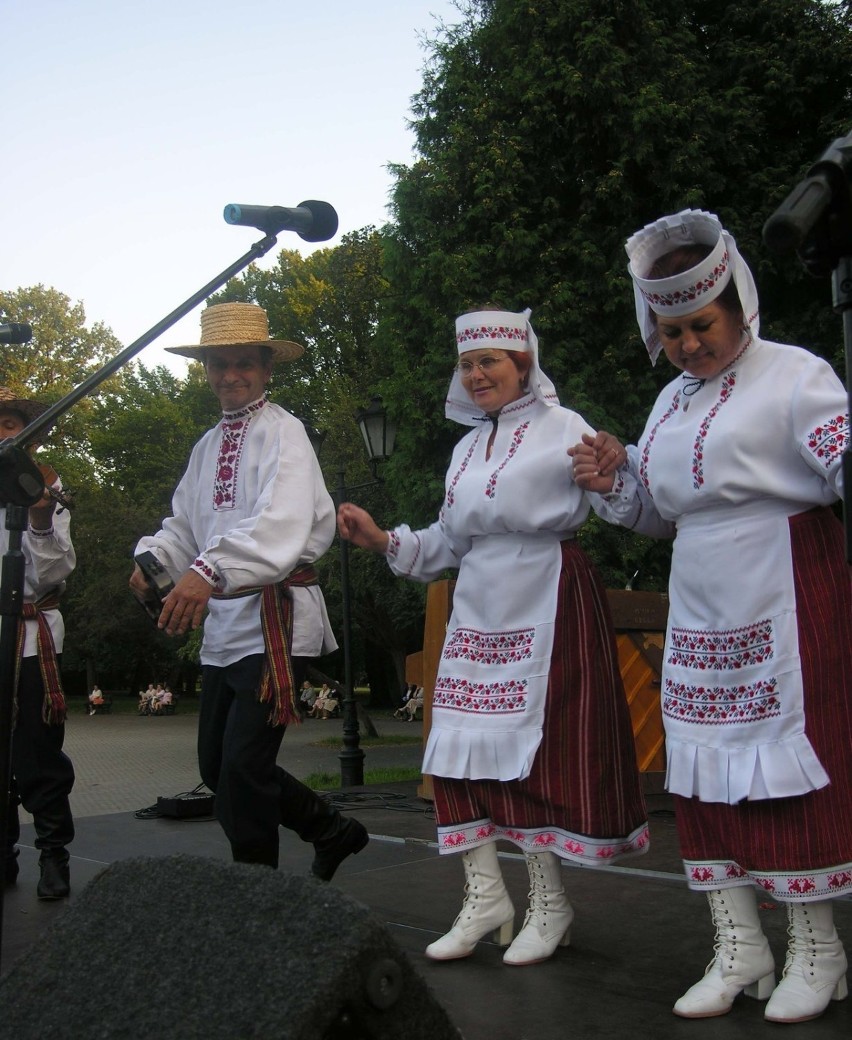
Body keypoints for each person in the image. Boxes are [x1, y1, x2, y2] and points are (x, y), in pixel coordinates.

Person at [570, 209, 851, 1023]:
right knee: (703, 765)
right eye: (673, 329)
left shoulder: (795, 373)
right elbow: (660, 511)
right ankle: (740, 943)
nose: (689, 343)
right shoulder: (668, 404)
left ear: (737, 307)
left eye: (702, 324)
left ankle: (820, 950)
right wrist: (614, 477)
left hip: (786, 582)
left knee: (786, 765)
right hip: (700, 600)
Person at [338, 306, 647, 966]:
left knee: (529, 753)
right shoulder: (465, 448)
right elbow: (448, 541)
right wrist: (383, 538)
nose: (477, 375)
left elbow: (620, 503)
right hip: (477, 604)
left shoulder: (564, 427)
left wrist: (617, 470)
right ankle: (484, 895)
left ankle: (548, 901)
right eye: (468, 365)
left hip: (546, 593)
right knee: (456, 749)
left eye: (490, 363)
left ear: (523, 364)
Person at [129, 302, 368, 880]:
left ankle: (255, 887)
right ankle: (330, 828)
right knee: (217, 766)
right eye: (219, 364)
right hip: (229, 624)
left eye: (243, 363)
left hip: (276, 619)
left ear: (266, 368)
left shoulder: (285, 433)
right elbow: (185, 525)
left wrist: (207, 571)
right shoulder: (207, 445)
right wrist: (155, 561)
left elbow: (279, 524)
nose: (231, 375)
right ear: (206, 369)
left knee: (240, 765)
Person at [0, 387, 76, 899]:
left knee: (39, 757)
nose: (3, 433)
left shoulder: (43, 483)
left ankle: (53, 856)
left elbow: (56, 568)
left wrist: (41, 517)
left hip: (28, 639)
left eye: (9, 424)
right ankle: (3, 853)